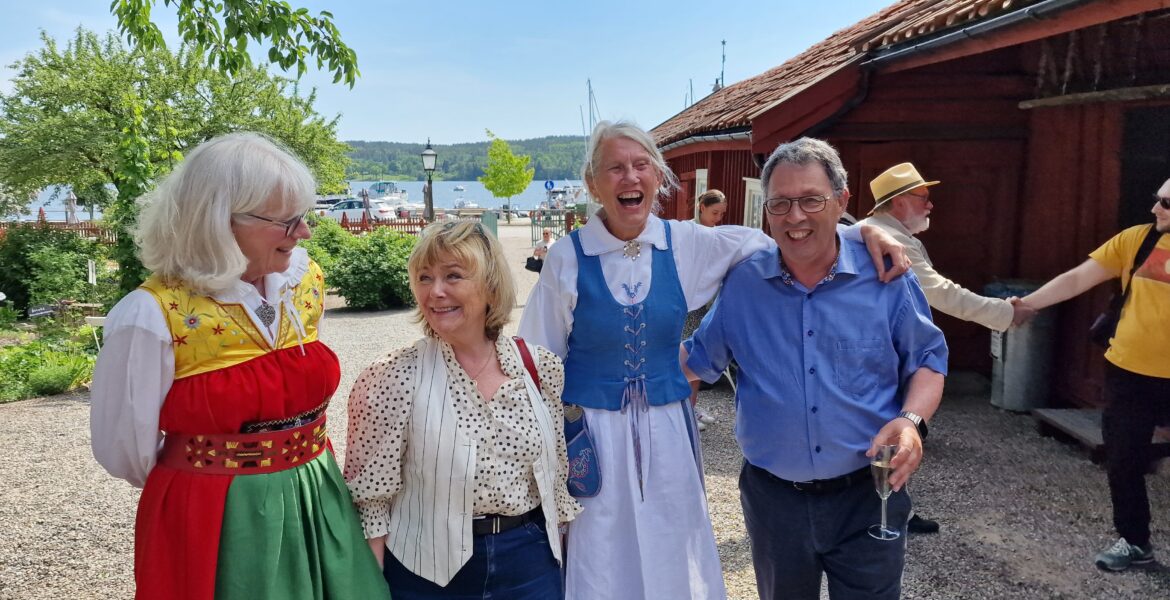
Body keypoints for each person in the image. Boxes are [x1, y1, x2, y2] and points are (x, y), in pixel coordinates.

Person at [518, 120, 911, 600]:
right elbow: (535, 362)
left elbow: (784, 239)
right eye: (614, 168)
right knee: (601, 551)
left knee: (670, 543)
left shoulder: (685, 243)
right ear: (593, 183)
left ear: (658, 176)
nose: (630, 177)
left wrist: (862, 231)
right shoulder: (567, 258)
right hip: (592, 436)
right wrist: (546, 460)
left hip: (667, 432)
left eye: (641, 165)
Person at [89, 132, 388, 599]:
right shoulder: (151, 314)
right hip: (217, 513)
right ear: (219, 220)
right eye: (287, 222)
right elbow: (124, 450)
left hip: (317, 489)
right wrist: (215, 480)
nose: (304, 233)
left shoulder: (303, 280)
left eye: (303, 217)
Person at [683, 137, 948, 600]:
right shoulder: (744, 284)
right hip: (774, 502)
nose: (795, 217)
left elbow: (928, 360)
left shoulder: (886, 276)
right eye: (780, 203)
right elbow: (694, 362)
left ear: (842, 201)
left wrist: (910, 422)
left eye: (811, 200)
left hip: (869, 495)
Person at [344, 221, 581, 598]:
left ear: (491, 285)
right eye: (424, 278)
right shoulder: (393, 376)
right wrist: (373, 588)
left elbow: (555, 477)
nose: (435, 291)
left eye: (452, 276)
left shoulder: (540, 368)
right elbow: (372, 500)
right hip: (427, 573)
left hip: (530, 565)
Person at [858, 162, 1036, 534]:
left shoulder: (882, 232)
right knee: (892, 430)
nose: (930, 205)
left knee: (891, 429)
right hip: (881, 353)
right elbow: (942, 293)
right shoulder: (891, 239)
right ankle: (887, 515)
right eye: (923, 197)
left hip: (882, 350)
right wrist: (1004, 313)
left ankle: (894, 510)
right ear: (900, 202)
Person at [1013, 181, 1170, 572]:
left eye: (1166, 203)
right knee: (1124, 460)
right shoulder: (1138, 240)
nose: (1155, 210)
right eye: (1157, 200)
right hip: (1129, 373)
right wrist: (1022, 306)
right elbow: (1077, 278)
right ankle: (1135, 542)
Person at [684, 189, 729, 430]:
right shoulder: (688, 233)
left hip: (704, 304)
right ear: (702, 208)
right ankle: (684, 411)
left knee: (698, 358)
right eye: (714, 213)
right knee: (685, 357)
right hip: (687, 302)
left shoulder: (717, 234)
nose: (718, 218)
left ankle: (692, 406)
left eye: (721, 214)